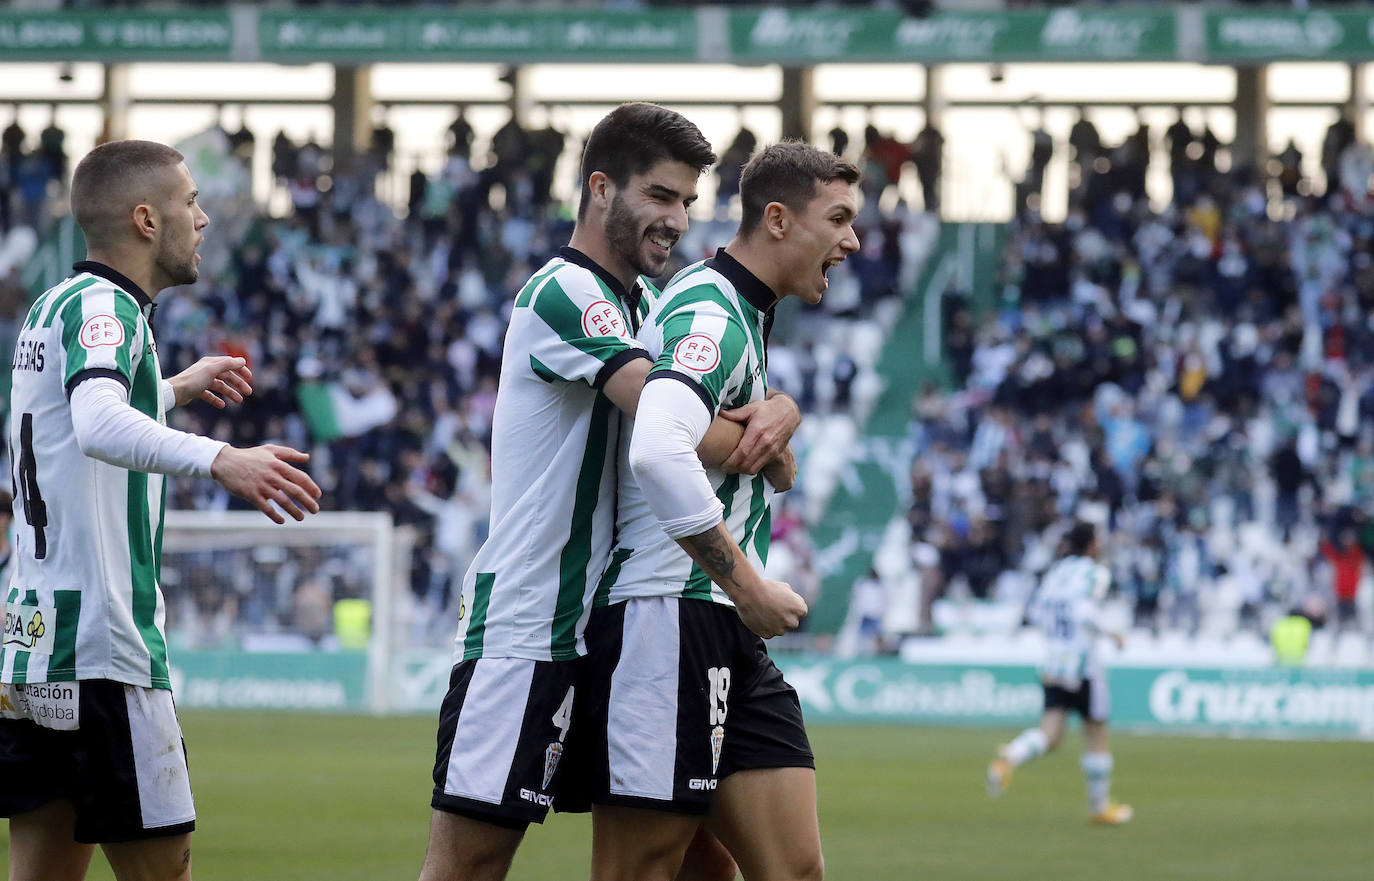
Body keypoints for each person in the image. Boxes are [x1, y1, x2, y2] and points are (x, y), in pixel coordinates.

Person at [416, 103, 801, 881]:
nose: (676, 220)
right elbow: (674, 422)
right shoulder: (565, 291)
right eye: (660, 196)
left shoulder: (643, 308)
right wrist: (768, 435)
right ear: (600, 188)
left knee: (702, 858)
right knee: (470, 865)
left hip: (601, 626)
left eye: (688, 202)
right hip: (526, 628)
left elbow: (708, 398)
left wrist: (779, 410)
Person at [0, 139, 322, 881]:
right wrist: (223, 457)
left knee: (43, 870)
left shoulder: (59, 303)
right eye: (191, 202)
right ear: (147, 220)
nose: (202, 219)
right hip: (104, 647)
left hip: (34, 645)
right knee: (163, 868)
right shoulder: (107, 307)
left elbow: (64, 420)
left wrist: (169, 387)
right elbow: (98, 424)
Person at [576, 140, 860, 881]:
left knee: (786, 869)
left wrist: (778, 427)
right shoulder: (711, 312)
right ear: (776, 218)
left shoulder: (738, 310)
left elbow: (722, 440)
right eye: (838, 218)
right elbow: (659, 448)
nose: (851, 241)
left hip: (716, 622)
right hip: (666, 615)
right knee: (640, 871)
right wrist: (750, 585)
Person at [986, 520, 1132, 825]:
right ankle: (1099, 808)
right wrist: (1112, 633)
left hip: (1053, 661)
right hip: (1083, 666)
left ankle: (1009, 757)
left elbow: (1037, 611)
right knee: (1097, 735)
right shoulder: (1095, 573)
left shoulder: (1056, 573)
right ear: (1092, 545)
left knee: (1050, 734)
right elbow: (1084, 612)